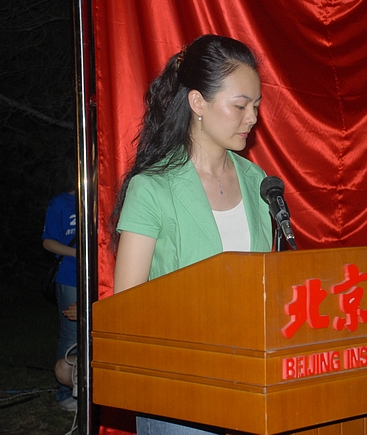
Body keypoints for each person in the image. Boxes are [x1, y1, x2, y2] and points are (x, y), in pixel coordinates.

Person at [110, 34, 273, 434]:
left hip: (251, 380)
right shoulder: (152, 188)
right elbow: (127, 306)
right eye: (240, 106)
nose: (252, 118)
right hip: (179, 387)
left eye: (256, 106)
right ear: (198, 102)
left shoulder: (259, 182)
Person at [42, 175, 78, 412]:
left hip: (98, 278)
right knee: (71, 335)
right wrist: (77, 253)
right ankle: (65, 393)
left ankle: (85, 388)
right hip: (69, 277)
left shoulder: (99, 201)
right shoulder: (60, 203)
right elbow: (48, 242)